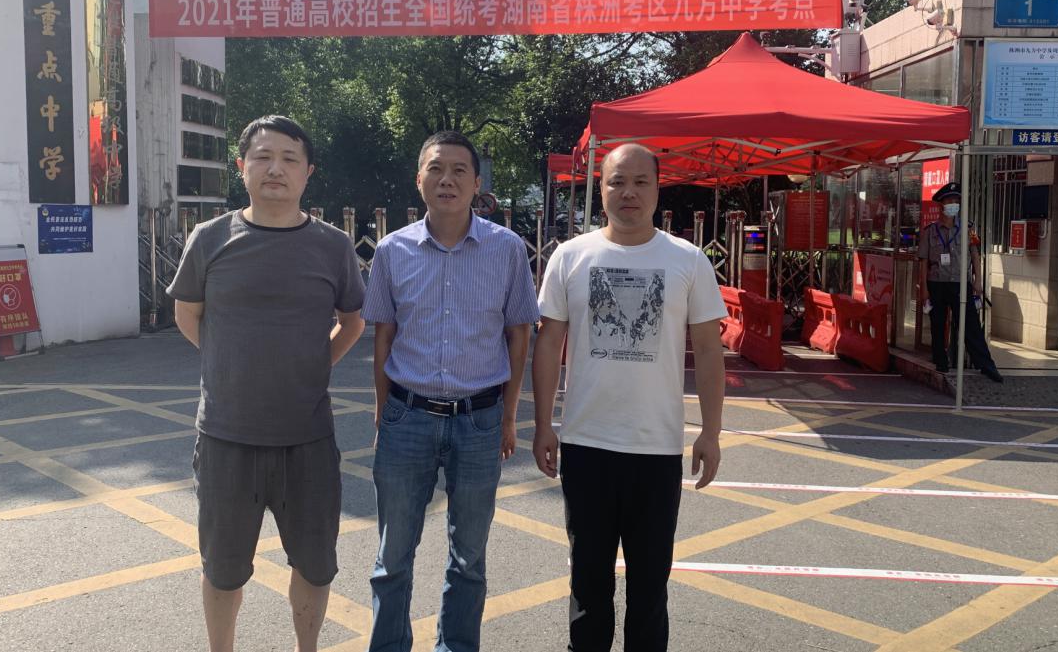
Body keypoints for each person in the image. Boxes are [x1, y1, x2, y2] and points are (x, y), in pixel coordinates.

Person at [167, 115, 366, 652]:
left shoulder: (332, 246)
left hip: (308, 439)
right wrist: (230, 362)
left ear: (308, 172)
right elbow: (188, 314)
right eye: (263, 157)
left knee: (316, 565)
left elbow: (352, 321)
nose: (275, 168)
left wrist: (313, 364)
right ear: (242, 166)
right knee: (223, 568)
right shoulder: (211, 238)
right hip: (226, 437)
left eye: (289, 159)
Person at [531, 142, 726, 652]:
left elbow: (709, 350)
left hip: (656, 450)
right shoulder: (571, 256)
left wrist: (710, 432)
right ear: (602, 190)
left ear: (659, 189)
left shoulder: (687, 260)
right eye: (617, 181)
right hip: (586, 445)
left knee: (649, 588)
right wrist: (544, 424)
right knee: (588, 582)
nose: (629, 192)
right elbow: (549, 343)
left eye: (641, 182)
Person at [361, 130, 539, 652]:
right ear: (419, 179)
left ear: (477, 184)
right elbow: (383, 336)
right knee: (393, 558)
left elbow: (519, 336)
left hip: (479, 420)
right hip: (407, 416)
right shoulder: (392, 250)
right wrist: (382, 414)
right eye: (436, 169)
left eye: (460, 170)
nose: (447, 180)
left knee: (469, 559)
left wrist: (509, 418)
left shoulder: (507, 250)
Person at [918, 181, 1004, 382]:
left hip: (960, 283)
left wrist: (978, 281)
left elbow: (975, 256)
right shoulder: (930, 231)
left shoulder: (968, 229)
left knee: (970, 324)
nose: (953, 204)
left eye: (956, 201)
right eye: (949, 201)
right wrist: (924, 289)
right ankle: (941, 360)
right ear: (941, 204)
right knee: (938, 324)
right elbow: (923, 262)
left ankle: (986, 365)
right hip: (937, 283)